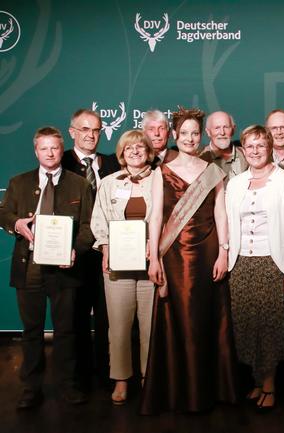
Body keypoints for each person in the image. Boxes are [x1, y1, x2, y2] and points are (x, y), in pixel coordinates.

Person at [142, 107, 237, 414]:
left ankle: (208, 390)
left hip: (208, 252)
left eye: (195, 133)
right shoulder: (160, 172)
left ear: (201, 136)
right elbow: (156, 217)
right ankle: (178, 391)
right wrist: (154, 257)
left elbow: (221, 213)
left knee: (206, 321)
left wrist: (223, 251)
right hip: (173, 257)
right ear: (174, 136)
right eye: (184, 133)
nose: (190, 138)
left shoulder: (214, 170)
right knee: (178, 320)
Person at [0, 126, 94, 408]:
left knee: (66, 331)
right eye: (44, 148)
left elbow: (90, 226)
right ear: (36, 151)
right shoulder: (19, 182)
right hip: (29, 266)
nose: (50, 153)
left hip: (66, 267)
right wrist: (16, 223)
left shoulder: (79, 184)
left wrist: (76, 250)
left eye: (55, 147)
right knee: (31, 332)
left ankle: (68, 385)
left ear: (61, 147)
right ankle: (31, 389)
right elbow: (4, 211)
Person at [226, 125, 284, 413]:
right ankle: (256, 381)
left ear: (269, 147)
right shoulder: (235, 184)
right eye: (250, 146)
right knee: (246, 325)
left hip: (273, 263)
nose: (255, 151)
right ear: (243, 150)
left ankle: (269, 385)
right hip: (241, 263)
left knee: (270, 326)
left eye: (261, 145)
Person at [90, 130, 156, 405]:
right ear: (121, 153)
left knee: (150, 326)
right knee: (118, 326)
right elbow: (99, 219)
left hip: (152, 265)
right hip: (118, 265)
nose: (135, 152)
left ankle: (148, 377)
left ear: (149, 151)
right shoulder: (108, 183)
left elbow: (169, 220)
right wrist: (105, 247)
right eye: (129, 148)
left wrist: (156, 245)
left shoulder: (161, 180)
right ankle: (120, 379)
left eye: (140, 147)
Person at [63, 108, 121, 389]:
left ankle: (105, 371)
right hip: (74, 253)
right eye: (85, 129)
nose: (91, 135)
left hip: (107, 252)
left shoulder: (111, 163)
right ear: (72, 132)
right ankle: (80, 376)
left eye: (96, 130)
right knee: (76, 316)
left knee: (107, 315)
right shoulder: (60, 162)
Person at [201, 110, 248, 182]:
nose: (222, 132)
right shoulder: (200, 158)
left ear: (233, 129)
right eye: (217, 128)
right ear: (208, 132)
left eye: (226, 127)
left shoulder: (247, 155)